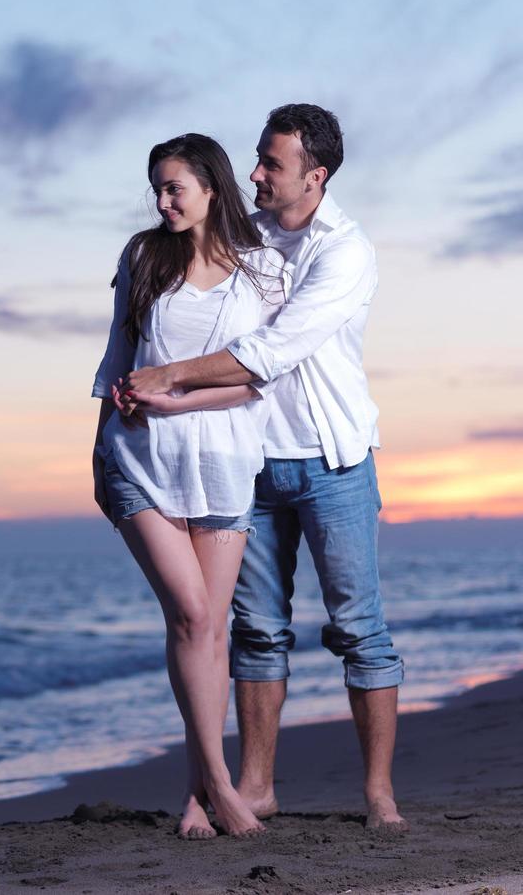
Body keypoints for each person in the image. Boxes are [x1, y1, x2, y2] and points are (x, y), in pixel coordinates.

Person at [120, 104, 407, 831]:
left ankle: (377, 795)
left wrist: (167, 377)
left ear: (314, 175)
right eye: (253, 157)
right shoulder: (240, 245)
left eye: (270, 164)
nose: (254, 173)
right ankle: (253, 787)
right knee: (254, 629)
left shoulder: (345, 250)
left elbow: (269, 353)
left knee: (358, 628)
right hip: (247, 463)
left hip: (330, 461)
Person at [92, 133, 287, 839]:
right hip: (139, 459)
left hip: (223, 460)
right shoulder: (142, 255)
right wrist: (98, 445)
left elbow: (254, 379)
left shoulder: (261, 270)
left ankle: (198, 798)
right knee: (191, 618)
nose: (162, 200)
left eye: (174, 186)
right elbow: (118, 353)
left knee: (210, 632)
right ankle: (219, 785)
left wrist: (178, 398)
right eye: (156, 188)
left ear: (211, 186)